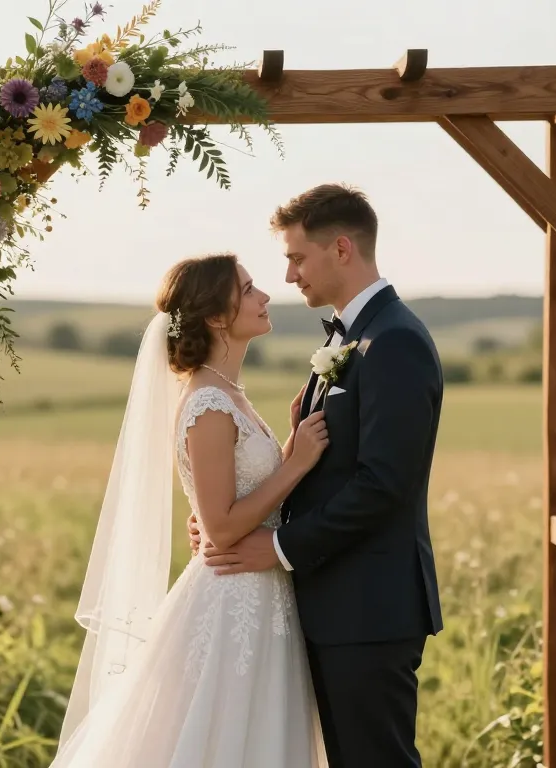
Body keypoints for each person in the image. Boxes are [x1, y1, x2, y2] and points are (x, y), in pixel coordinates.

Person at [190, 183, 445, 767]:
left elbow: (383, 486)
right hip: (332, 604)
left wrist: (275, 547)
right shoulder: (354, 337)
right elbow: (319, 469)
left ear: (341, 250)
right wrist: (221, 519)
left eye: (296, 258)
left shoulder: (394, 342)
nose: (288, 277)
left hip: (368, 608)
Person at [51, 253, 331, 767]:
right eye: (248, 290)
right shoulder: (206, 404)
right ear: (216, 316)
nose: (265, 296)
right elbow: (222, 528)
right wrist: (298, 465)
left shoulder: (229, 395)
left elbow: (237, 498)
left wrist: (289, 444)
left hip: (260, 592)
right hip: (230, 600)